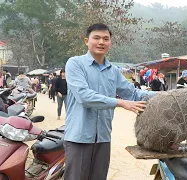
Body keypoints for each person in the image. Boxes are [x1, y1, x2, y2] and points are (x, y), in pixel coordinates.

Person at [64, 23, 155, 180]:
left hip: (103, 138)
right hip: (79, 137)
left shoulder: (113, 71)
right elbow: (83, 96)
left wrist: (166, 95)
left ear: (110, 43)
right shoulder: (75, 64)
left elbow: (132, 94)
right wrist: (120, 103)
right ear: (87, 40)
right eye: (96, 38)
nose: (101, 42)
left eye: (106, 39)